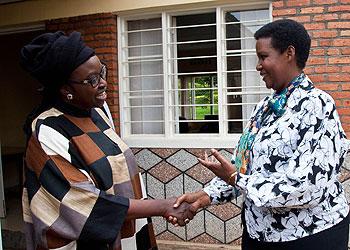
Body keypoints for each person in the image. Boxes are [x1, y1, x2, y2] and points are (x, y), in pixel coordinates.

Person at [172, 19, 350, 250]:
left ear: (289, 53)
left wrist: (236, 179)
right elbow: (244, 168)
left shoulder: (317, 105)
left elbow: (307, 187)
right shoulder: (263, 108)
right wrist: (204, 196)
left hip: (309, 237)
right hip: (258, 234)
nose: (258, 65)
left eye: (264, 56)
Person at [20, 31, 194, 250]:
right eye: (91, 79)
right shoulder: (47, 130)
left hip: (126, 233)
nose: (103, 83)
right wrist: (162, 206)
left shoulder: (98, 112)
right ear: (66, 90)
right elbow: (84, 204)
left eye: (101, 71)